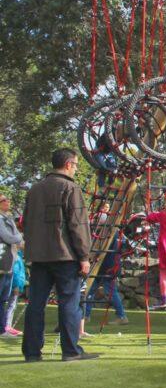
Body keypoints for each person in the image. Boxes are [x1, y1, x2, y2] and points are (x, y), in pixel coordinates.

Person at [21, 149, 98, 362]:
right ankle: (71, 350)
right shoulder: (70, 188)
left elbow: (25, 222)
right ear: (67, 164)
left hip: (39, 257)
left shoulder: (35, 189)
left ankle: (32, 352)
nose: (75, 169)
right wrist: (84, 256)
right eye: (75, 165)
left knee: (35, 304)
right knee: (69, 304)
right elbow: (78, 225)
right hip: (65, 256)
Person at [0, 191, 25, 337]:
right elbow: (9, 237)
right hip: (2, 261)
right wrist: (17, 237)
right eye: (4, 200)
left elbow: (15, 236)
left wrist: (16, 237)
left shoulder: (7, 219)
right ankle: (2, 328)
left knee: (4, 297)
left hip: (9, 262)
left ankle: (3, 327)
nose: (7, 202)